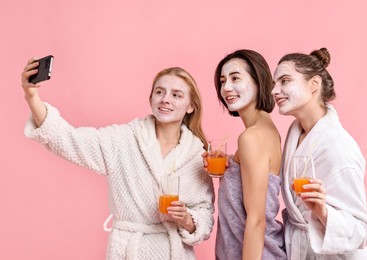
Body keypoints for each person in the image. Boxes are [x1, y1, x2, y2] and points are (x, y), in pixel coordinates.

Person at [21, 58, 215, 260]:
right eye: (159, 92)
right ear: (151, 99)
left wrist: (186, 219)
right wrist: (31, 95)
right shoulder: (123, 139)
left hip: (174, 253)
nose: (166, 99)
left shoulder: (196, 155)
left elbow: (205, 214)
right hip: (129, 250)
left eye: (176, 95)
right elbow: (68, 139)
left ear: (191, 106)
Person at [271, 48, 367, 259]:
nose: (274, 91)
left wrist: (323, 212)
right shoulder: (296, 130)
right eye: (275, 84)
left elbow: (362, 230)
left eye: (285, 81)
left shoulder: (338, 145)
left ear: (314, 84)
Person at [209, 49, 287, 259]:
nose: (226, 87)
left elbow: (256, 220)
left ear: (258, 81)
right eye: (223, 81)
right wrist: (231, 164)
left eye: (235, 78)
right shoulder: (265, 129)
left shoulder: (251, 137)